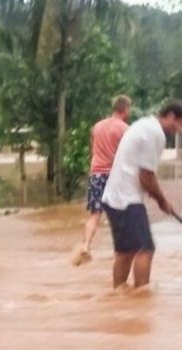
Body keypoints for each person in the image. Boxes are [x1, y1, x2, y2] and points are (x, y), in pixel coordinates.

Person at [100, 101, 182, 289]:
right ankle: (141, 299)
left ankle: (119, 297)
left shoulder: (143, 124)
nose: (179, 130)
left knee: (125, 251)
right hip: (126, 199)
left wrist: (159, 199)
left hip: (114, 197)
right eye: (180, 124)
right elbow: (146, 177)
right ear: (171, 116)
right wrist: (162, 200)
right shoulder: (155, 133)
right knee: (145, 249)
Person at [73, 95, 131, 266]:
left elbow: (93, 149)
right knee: (119, 214)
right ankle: (120, 251)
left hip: (96, 173)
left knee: (94, 215)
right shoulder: (124, 129)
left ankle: (86, 245)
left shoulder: (97, 127)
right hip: (114, 175)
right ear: (125, 109)